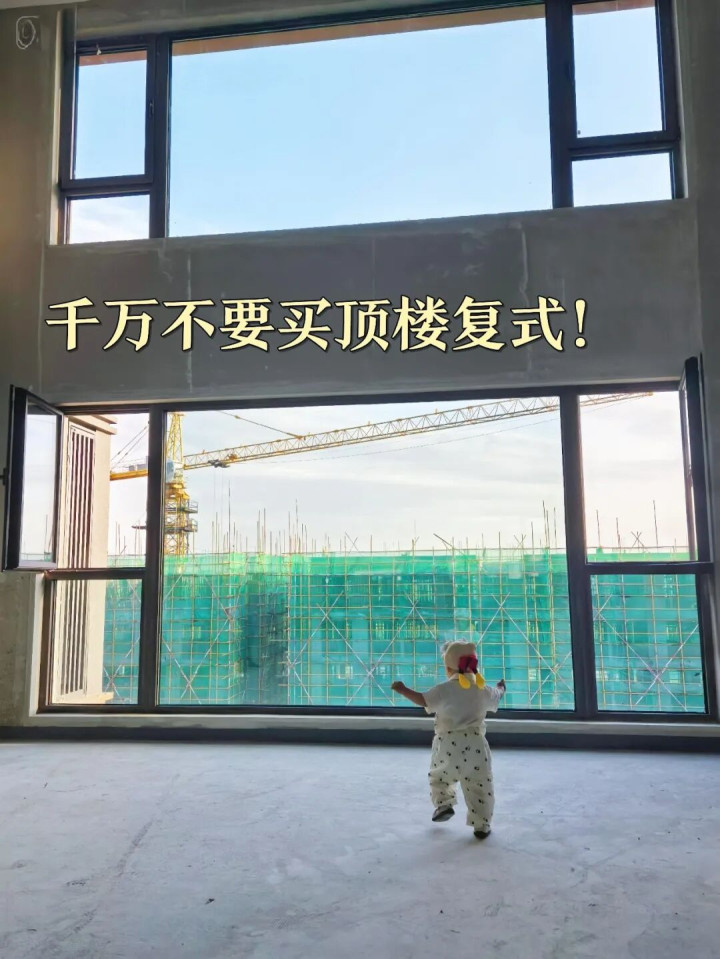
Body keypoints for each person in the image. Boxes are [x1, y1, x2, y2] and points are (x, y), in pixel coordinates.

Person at [391, 640, 505, 840]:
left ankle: (444, 804)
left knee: (440, 777)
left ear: (449, 667)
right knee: (480, 786)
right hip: (477, 745)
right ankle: (482, 825)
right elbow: (497, 695)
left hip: (447, 744)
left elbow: (423, 700)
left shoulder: (444, 689)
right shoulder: (482, 689)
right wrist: (501, 687)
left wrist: (403, 689)